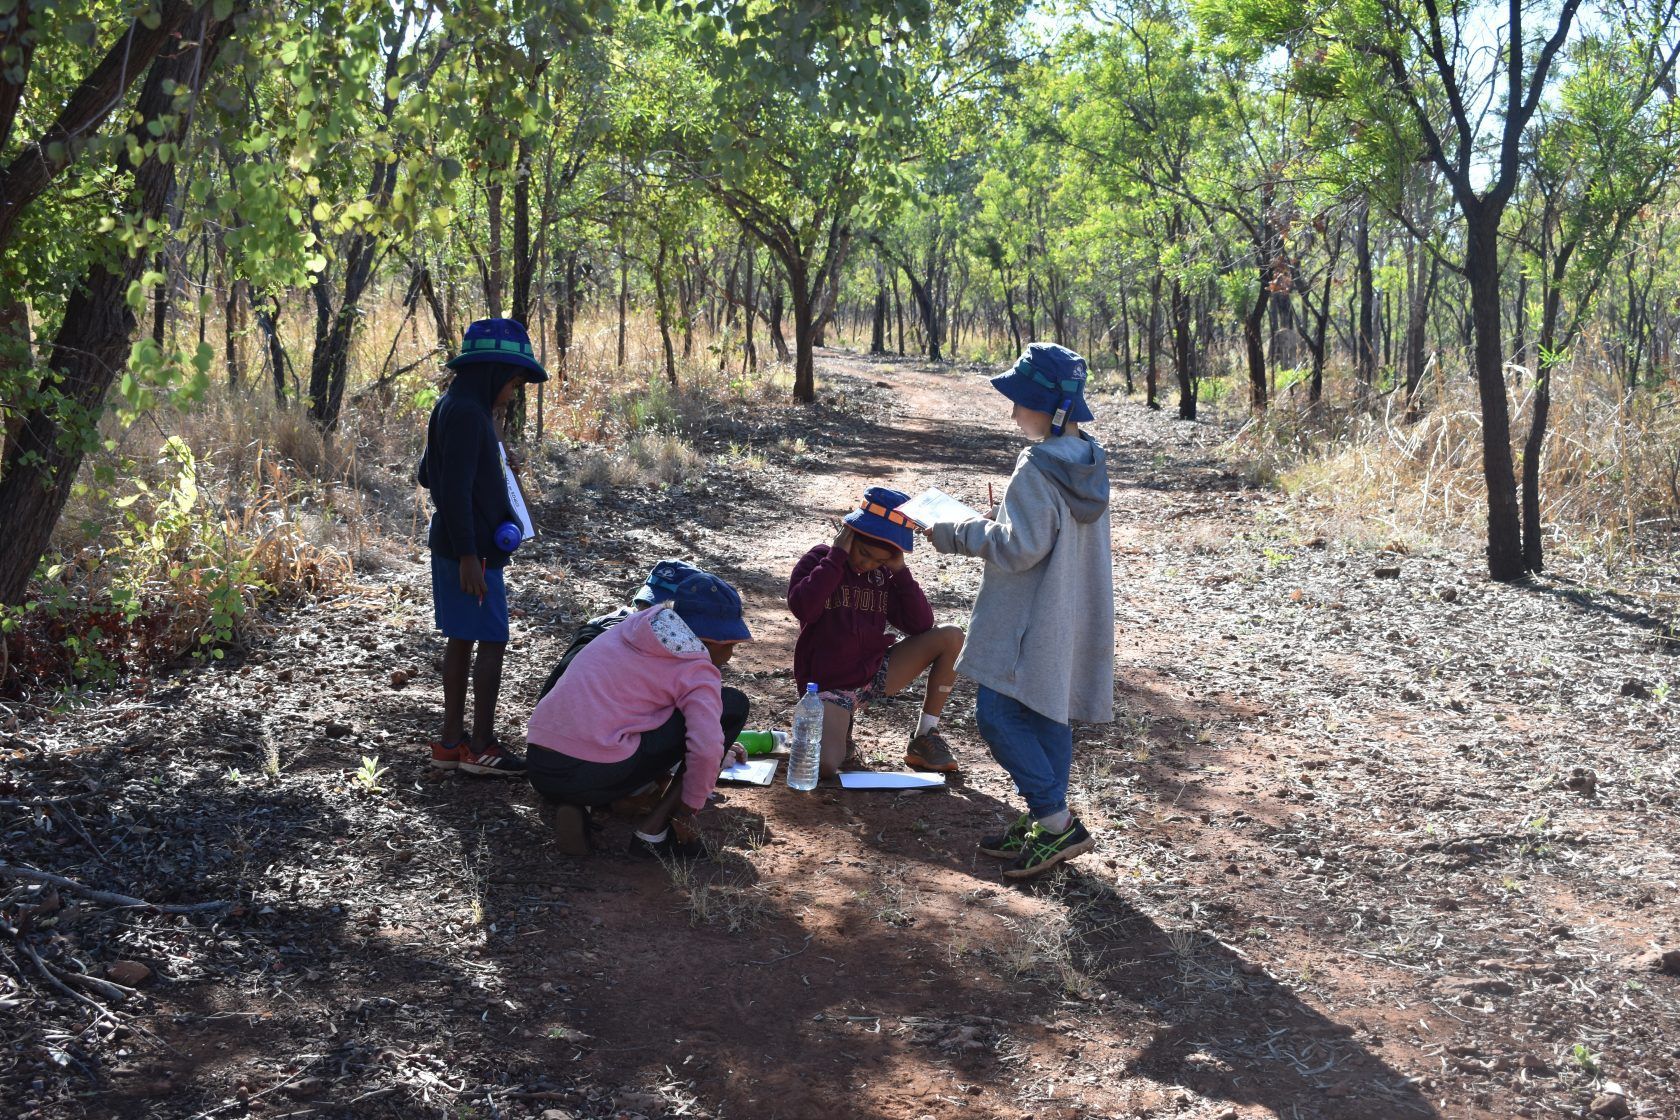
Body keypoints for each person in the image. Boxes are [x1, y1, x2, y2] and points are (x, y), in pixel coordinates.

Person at [924, 343, 1114, 879]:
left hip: (1028, 619)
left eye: (1021, 402)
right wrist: (1006, 519)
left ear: (1051, 409)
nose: (1014, 413)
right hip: (1068, 613)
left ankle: (1056, 823)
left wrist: (956, 532)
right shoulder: (1088, 459)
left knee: (999, 714)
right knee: (1047, 709)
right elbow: (1043, 533)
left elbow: (1018, 549)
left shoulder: (1035, 469)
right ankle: (1048, 817)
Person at [526, 568, 754, 857]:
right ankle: (655, 831)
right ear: (713, 640)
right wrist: (688, 808)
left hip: (540, 766)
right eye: (731, 645)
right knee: (732, 705)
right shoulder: (697, 669)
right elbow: (707, 749)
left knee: (622, 726)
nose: (730, 655)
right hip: (593, 772)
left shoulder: (633, 626)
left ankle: (578, 804)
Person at [419, 317, 547, 777]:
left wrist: (496, 458)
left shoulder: (452, 407)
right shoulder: (470, 416)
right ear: (492, 373)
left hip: (455, 546)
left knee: (461, 638)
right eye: (512, 382)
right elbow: (451, 491)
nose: (512, 393)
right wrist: (471, 556)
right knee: (492, 640)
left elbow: (427, 473)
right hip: (469, 554)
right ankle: (481, 747)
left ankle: (450, 743)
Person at [787, 486, 966, 778]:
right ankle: (831, 729)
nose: (867, 564)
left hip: (873, 673)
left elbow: (921, 624)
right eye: (864, 553)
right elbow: (803, 609)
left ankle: (925, 735)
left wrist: (899, 572)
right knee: (826, 765)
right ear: (849, 536)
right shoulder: (820, 560)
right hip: (829, 689)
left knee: (952, 636)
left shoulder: (882, 574)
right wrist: (835, 558)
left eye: (879, 561)